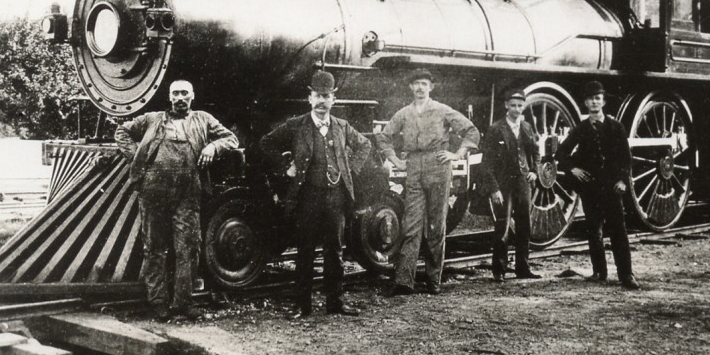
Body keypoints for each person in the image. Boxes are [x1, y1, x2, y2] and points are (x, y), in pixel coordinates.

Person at [115, 79, 239, 321]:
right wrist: (138, 156)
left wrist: (213, 147)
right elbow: (122, 132)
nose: (180, 97)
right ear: (169, 97)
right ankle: (158, 303)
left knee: (188, 248)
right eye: (175, 93)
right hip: (153, 192)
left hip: (188, 194)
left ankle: (183, 303)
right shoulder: (151, 119)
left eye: (184, 93)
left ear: (192, 96)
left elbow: (231, 139)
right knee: (154, 249)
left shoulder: (203, 119)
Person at [260, 71, 372, 319]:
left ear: (333, 100)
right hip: (307, 198)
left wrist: (349, 169)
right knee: (306, 251)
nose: (322, 101)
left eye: (326, 96)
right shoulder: (296, 125)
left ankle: (336, 303)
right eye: (317, 96)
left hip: (335, 198)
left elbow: (365, 144)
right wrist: (285, 168)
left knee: (335, 252)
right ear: (309, 99)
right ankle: (303, 306)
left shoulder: (342, 127)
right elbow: (266, 143)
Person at [376, 69, 480, 295]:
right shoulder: (404, 113)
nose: (420, 88)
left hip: (439, 166)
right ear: (411, 88)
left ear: (431, 87)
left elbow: (471, 131)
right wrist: (395, 159)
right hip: (413, 167)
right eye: (416, 84)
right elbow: (384, 137)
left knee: (436, 225)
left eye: (424, 84)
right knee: (411, 225)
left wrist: (457, 154)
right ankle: (404, 281)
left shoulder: (442, 110)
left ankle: (434, 280)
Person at [553, 80, 640, 289]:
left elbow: (625, 158)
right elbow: (561, 153)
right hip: (590, 188)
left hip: (612, 187)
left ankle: (626, 274)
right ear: (585, 103)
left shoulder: (616, 127)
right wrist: (573, 168)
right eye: (591, 99)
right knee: (594, 230)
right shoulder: (580, 129)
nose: (594, 102)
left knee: (618, 230)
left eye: (598, 99)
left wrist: (622, 181)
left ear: (603, 101)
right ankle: (599, 271)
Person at [479, 89, 541, 282]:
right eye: (513, 105)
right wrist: (494, 188)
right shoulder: (496, 128)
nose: (516, 109)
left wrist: (534, 171)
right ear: (506, 105)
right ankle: (499, 270)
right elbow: (486, 163)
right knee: (503, 226)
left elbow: (536, 152)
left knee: (525, 226)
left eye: (520, 105)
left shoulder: (527, 127)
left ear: (524, 106)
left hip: (523, 183)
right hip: (503, 184)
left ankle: (523, 268)